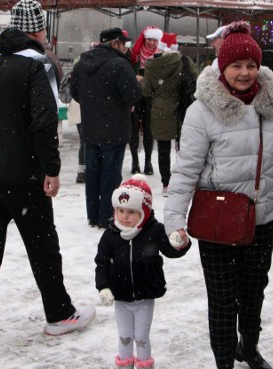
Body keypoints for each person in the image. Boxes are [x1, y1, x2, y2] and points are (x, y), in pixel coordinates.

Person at [163, 21, 273, 369]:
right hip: (218, 222)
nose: (244, 73)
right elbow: (186, 169)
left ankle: (249, 346)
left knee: (254, 289)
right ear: (221, 68)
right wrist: (174, 219)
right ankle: (225, 364)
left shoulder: (272, 106)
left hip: (262, 217)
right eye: (236, 66)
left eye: (250, 65)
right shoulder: (202, 111)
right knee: (223, 297)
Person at [0, 9, 95, 351]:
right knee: (42, 247)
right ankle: (59, 313)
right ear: (37, 33)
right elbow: (44, 120)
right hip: (22, 173)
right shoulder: (35, 65)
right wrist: (51, 169)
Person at [95, 174, 190, 369]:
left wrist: (180, 243)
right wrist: (103, 286)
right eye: (120, 210)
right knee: (125, 336)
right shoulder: (111, 235)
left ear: (143, 212)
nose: (125, 217)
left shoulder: (153, 230)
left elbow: (170, 250)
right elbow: (101, 263)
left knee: (141, 336)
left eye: (131, 212)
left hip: (145, 296)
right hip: (121, 296)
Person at [71, 27, 141, 228]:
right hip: (114, 128)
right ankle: (106, 217)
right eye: (124, 43)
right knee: (111, 174)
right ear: (115, 43)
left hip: (90, 127)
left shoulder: (82, 62)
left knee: (92, 174)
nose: (126, 48)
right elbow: (133, 94)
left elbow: (76, 93)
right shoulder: (119, 64)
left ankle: (93, 215)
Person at [141, 33, 196, 196]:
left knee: (163, 149)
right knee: (184, 147)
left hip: (161, 110)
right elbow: (195, 81)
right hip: (183, 109)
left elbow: (146, 91)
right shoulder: (184, 61)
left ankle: (166, 183)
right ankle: (183, 179)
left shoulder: (151, 64)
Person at [129, 26, 162, 175]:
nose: (151, 43)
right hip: (135, 96)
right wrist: (134, 78)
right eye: (149, 39)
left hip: (152, 97)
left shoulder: (161, 55)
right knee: (133, 129)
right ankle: (135, 161)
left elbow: (164, 78)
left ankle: (148, 161)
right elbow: (127, 71)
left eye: (154, 40)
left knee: (149, 130)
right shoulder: (135, 55)